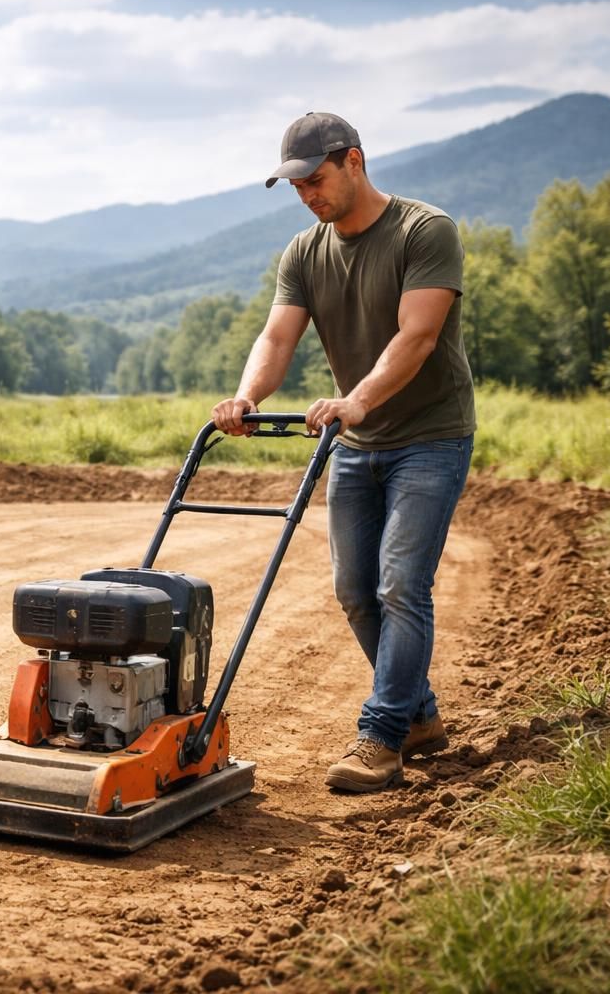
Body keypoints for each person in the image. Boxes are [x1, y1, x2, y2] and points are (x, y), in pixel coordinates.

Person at [211, 111, 474, 793]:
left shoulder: (425, 231)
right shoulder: (304, 252)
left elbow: (416, 337)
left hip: (430, 436)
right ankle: (418, 716)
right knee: (355, 591)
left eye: (315, 180)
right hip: (356, 444)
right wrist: (246, 397)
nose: (307, 196)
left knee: (399, 585)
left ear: (353, 161)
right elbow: (276, 340)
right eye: (296, 187)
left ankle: (382, 738)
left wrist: (356, 398)